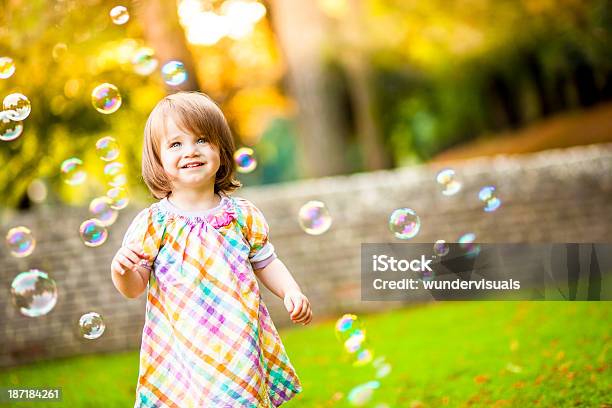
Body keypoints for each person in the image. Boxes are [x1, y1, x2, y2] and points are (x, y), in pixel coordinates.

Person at [110, 91, 311, 407]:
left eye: (202, 139)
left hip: (239, 343)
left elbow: (266, 261)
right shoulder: (154, 223)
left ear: (221, 150)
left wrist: (291, 292)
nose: (190, 151)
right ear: (158, 159)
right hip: (184, 349)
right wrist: (121, 272)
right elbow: (134, 287)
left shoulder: (241, 215)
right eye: (175, 144)